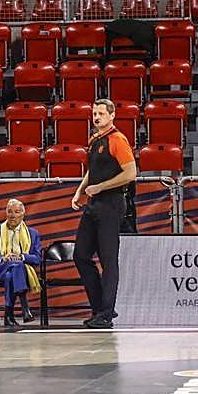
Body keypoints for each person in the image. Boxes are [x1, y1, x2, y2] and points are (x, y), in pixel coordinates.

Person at [72, 98, 137, 329]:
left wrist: (101, 187)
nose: (97, 117)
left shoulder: (117, 139)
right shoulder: (95, 140)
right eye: (94, 113)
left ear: (112, 115)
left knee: (108, 260)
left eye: (101, 113)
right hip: (94, 203)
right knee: (80, 255)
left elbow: (130, 173)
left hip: (111, 203)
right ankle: (100, 307)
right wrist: (80, 190)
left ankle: (106, 313)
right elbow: (93, 171)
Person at [0, 198, 41, 325]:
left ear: (23, 214)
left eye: (16, 212)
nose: (12, 215)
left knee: (11, 274)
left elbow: (37, 258)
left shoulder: (33, 233)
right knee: (15, 267)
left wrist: (22, 257)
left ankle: (8, 315)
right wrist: (3, 258)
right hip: (1, 268)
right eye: (9, 211)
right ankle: (24, 306)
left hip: (22, 271)